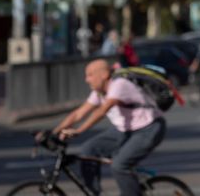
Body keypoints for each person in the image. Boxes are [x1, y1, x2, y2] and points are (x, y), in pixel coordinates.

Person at [44, 59, 166, 195]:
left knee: (120, 166)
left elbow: (102, 111)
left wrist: (79, 130)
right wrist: (53, 133)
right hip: (124, 129)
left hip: (148, 128)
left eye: (90, 75)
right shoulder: (99, 91)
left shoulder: (119, 85)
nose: (86, 80)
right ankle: (92, 192)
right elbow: (78, 114)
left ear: (104, 74)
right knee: (88, 149)